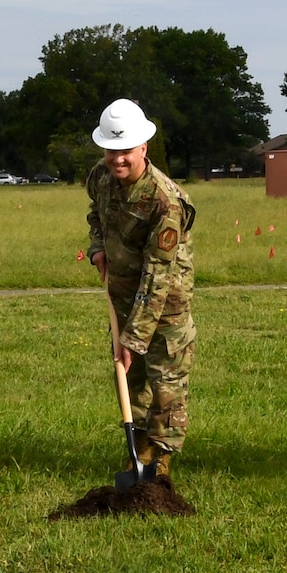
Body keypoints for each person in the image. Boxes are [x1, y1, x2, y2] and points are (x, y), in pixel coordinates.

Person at [84, 99, 196, 480]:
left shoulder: (165, 201)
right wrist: (98, 247)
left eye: (126, 152)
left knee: (166, 383)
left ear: (143, 148)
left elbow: (158, 276)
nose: (118, 160)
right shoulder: (100, 177)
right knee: (130, 379)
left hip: (166, 303)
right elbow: (94, 215)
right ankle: (139, 448)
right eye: (112, 151)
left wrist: (134, 336)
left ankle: (161, 461)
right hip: (123, 295)